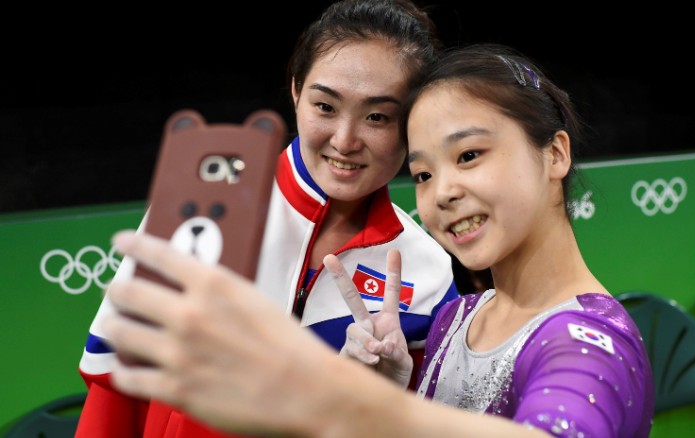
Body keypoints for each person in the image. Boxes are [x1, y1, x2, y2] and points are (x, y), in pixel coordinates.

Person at [101, 43, 654, 437]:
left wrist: (345, 403)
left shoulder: (589, 342)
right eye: (423, 174)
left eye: (469, 156)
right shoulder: (456, 320)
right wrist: (389, 389)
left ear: (555, 154)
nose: (443, 193)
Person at [76, 1, 459, 436]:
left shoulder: (426, 268)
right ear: (296, 91)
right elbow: (114, 390)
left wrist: (379, 396)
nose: (345, 140)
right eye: (325, 107)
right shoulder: (202, 209)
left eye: (378, 117)